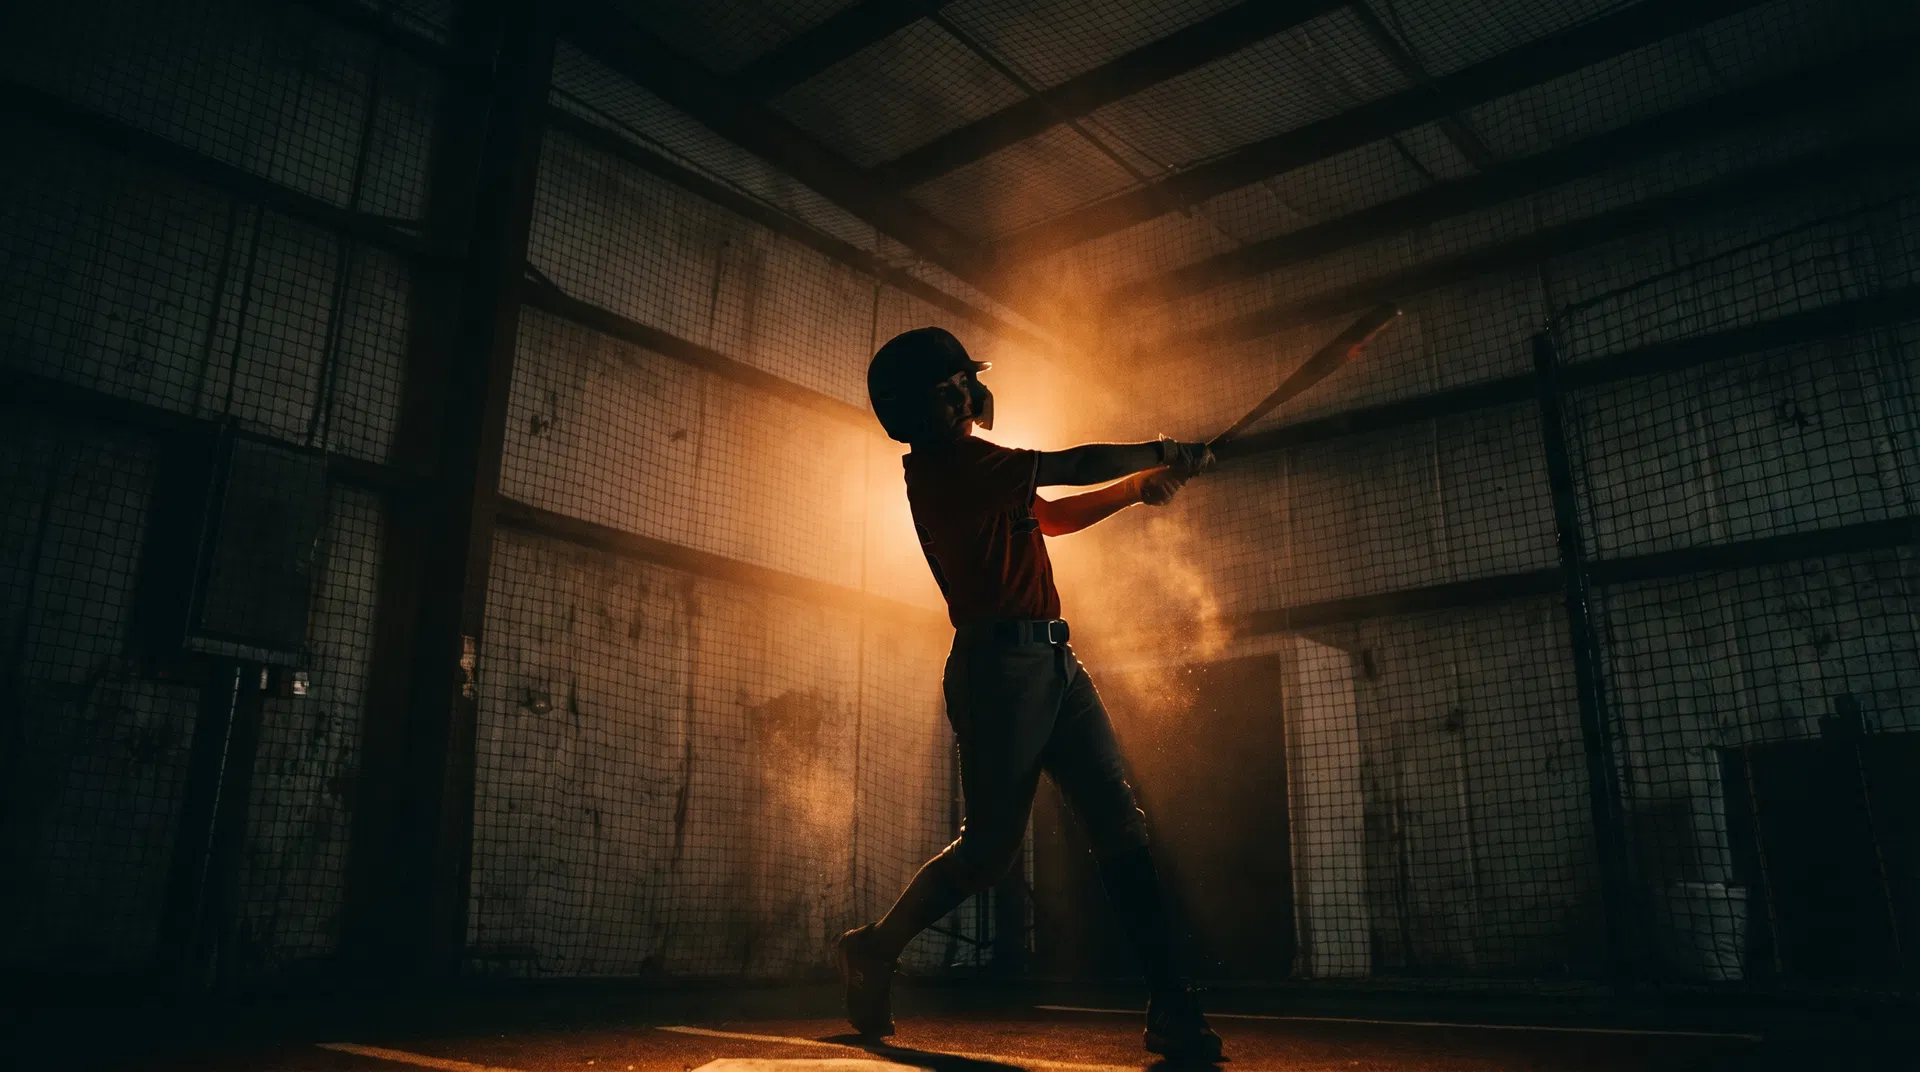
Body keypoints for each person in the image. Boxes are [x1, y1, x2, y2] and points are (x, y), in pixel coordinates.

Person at [840, 326, 1223, 1060]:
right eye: (952, 386)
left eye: (963, 383)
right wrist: (1160, 451)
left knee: (1119, 820)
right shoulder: (954, 469)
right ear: (925, 408)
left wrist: (1139, 489)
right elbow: (1068, 464)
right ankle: (875, 948)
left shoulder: (979, 471)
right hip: (997, 674)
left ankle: (1172, 1001)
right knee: (987, 855)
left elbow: (1052, 515)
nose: (967, 394)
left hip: (1055, 662)